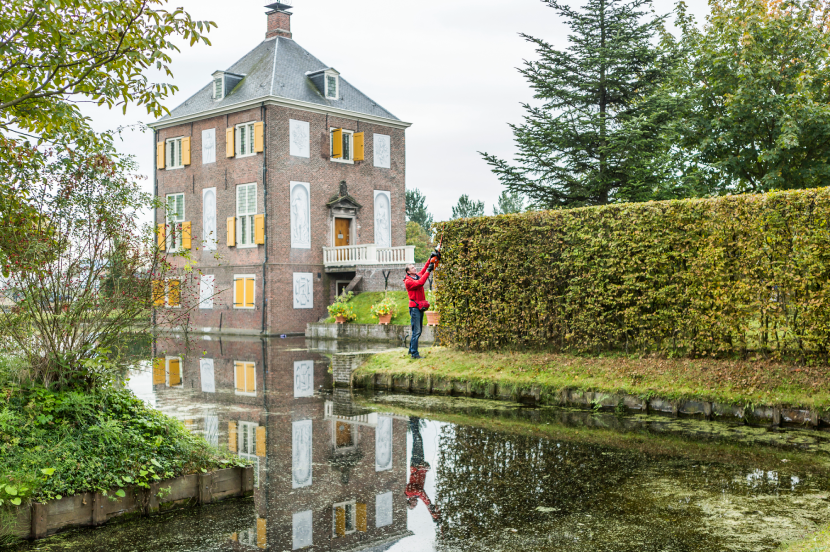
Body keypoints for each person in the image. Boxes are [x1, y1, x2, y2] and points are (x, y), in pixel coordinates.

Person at [405, 416, 440, 522]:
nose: (415, 504)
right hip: (420, 466)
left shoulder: (409, 492)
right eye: (415, 506)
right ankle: (415, 420)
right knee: (418, 440)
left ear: (410, 501)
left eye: (413, 505)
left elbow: (420, 491)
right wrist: (433, 514)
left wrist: (429, 505)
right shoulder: (416, 495)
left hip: (416, 465)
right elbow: (422, 495)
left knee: (417, 440)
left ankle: (413, 420)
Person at [404, 253, 437, 359]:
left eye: (414, 266)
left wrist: (430, 259)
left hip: (419, 307)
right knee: (417, 331)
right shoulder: (409, 281)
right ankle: (414, 353)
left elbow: (423, 270)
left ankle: (411, 349)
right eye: (412, 267)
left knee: (417, 331)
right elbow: (420, 283)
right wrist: (429, 271)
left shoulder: (416, 275)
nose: (415, 268)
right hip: (414, 308)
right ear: (408, 271)